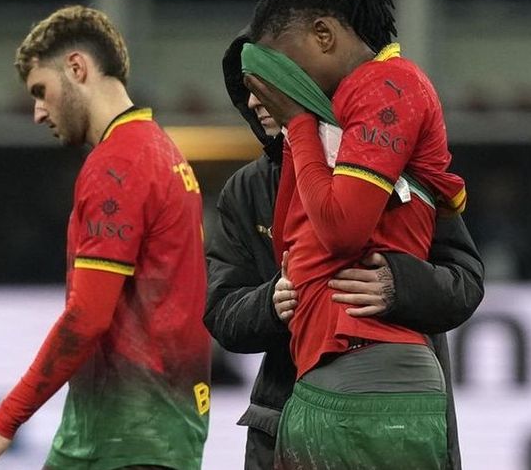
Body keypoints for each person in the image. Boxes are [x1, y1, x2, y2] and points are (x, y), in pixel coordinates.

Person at [205, 23, 484, 469]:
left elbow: (466, 279)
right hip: (285, 422)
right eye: (245, 89)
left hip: (397, 414)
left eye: (266, 81)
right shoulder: (247, 190)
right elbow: (220, 311)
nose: (255, 100)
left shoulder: (388, 152)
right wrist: (269, 304)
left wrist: (399, 283)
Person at [0, 5, 211, 470]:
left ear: (76, 68)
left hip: (126, 437)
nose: (38, 112)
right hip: (140, 430)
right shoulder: (163, 152)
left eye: (41, 91)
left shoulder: (118, 164)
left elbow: (87, 317)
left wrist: (2, 424)